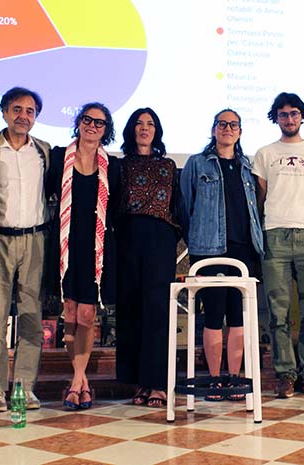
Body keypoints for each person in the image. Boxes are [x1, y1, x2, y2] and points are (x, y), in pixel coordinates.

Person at [252, 92, 304, 399]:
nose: (289, 118)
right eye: (283, 114)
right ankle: (285, 374)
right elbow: (259, 200)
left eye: (294, 113)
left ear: (302, 116)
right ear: (276, 117)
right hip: (275, 236)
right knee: (278, 313)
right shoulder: (264, 153)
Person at [0, 87, 51, 412]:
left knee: (32, 317)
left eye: (30, 111)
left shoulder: (43, 151)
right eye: (17, 109)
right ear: (4, 112)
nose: (23, 116)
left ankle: (24, 388)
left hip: (35, 240)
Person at [179, 109, 264, 401]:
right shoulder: (196, 163)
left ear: (240, 131)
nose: (228, 128)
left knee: (238, 317)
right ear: (214, 129)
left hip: (244, 251)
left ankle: (234, 378)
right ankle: (215, 379)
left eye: (233, 125)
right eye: (222, 124)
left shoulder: (247, 166)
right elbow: (185, 207)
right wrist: (198, 238)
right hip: (209, 251)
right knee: (214, 316)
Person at [46, 103, 121, 409]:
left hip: (96, 246)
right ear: (78, 122)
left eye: (99, 122)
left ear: (106, 130)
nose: (92, 126)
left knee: (87, 315)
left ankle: (77, 380)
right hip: (65, 242)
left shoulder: (112, 166)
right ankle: (81, 381)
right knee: (70, 312)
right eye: (87, 120)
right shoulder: (58, 158)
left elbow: (115, 208)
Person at [115, 108, 179, 408]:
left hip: (160, 239)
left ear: (157, 130)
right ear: (131, 129)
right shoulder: (120, 165)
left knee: (158, 310)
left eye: (150, 124)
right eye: (139, 124)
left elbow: (177, 206)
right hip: (127, 237)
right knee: (131, 309)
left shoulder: (168, 165)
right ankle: (139, 382)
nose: (144, 128)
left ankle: (159, 383)